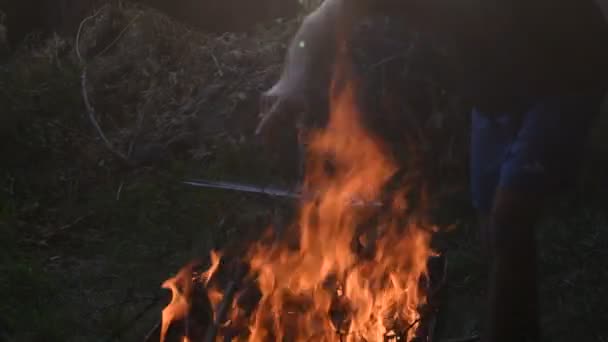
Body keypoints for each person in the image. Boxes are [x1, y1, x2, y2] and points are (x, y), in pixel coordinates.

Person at [256, 1, 608, 341]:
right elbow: (320, 21)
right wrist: (290, 82)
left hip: (565, 80)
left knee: (509, 215)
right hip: (493, 98)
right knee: (495, 233)